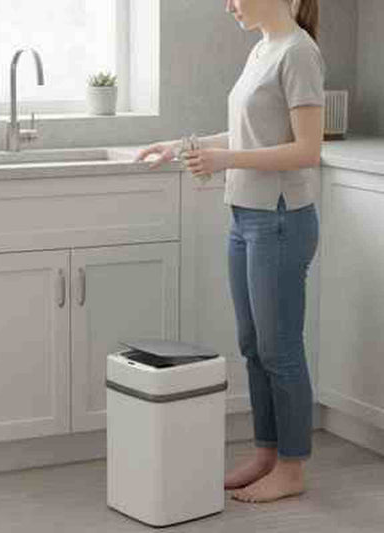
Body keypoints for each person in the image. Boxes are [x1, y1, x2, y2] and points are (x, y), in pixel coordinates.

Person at [135, 0, 324, 503]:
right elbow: (247, 135)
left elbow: (308, 150)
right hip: (245, 215)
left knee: (280, 348)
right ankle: (266, 453)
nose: (228, 5)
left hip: (280, 219)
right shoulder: (262, 50)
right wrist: (182, 146)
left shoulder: (298, 53)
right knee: (253, 344)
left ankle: (292, 468)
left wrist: (224, 160)